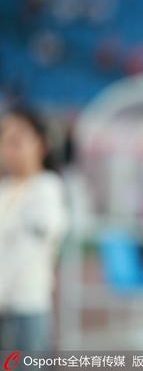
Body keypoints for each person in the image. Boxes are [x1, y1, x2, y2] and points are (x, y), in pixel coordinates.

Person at [0, 106, 68, 351]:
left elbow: (29, 251)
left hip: (26, 308)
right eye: (5, 141)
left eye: (17, 140)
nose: (9, 149)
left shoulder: (46, 188)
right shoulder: (5, 189)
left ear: (40, 145)